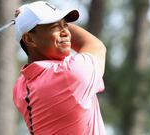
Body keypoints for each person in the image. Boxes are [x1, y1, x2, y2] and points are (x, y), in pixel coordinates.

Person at [13, 1, 106, 135]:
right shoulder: (70, 74)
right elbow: (95, 45)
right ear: (29, 39)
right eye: (55, 27)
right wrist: (26, 14)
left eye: (66, 25)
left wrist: (26, 18)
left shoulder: (20, 87)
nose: (66, 32)